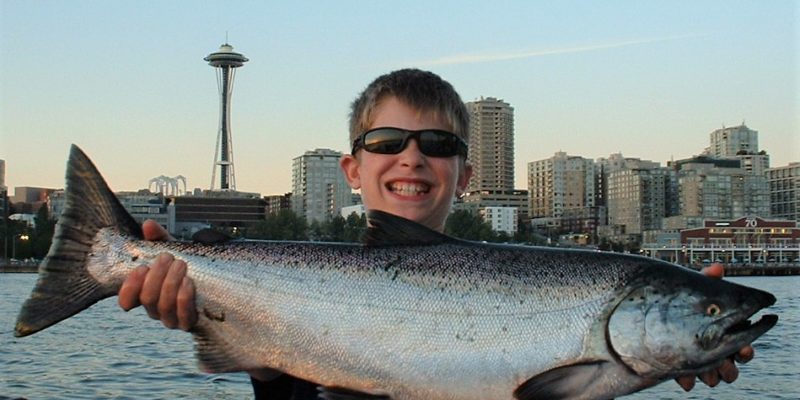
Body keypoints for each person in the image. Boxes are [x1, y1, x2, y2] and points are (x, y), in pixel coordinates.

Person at [118, 68, 754, 397]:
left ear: (466, 173)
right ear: (353, 169)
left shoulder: (586, 297)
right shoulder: (294, 282)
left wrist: (688, 343)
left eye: (438, 144)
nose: (412, 159)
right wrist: (216, 316)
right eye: (388, 142)